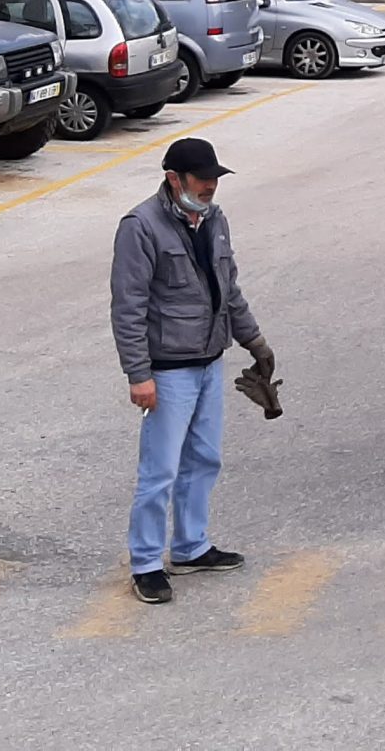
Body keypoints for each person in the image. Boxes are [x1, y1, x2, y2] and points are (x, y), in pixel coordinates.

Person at [110, 137, 275, 606]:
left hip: (208, 363)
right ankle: (146, 563)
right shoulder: (140, 227)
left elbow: (229, 291)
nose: (210, 186)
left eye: (214, 179)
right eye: (202, 179)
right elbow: (128, 307)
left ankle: (190, 546)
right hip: (167, 371)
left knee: (204, 459)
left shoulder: (215, 220)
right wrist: (138, 375)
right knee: (159, 471)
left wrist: (255, 342)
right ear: (173, 179)